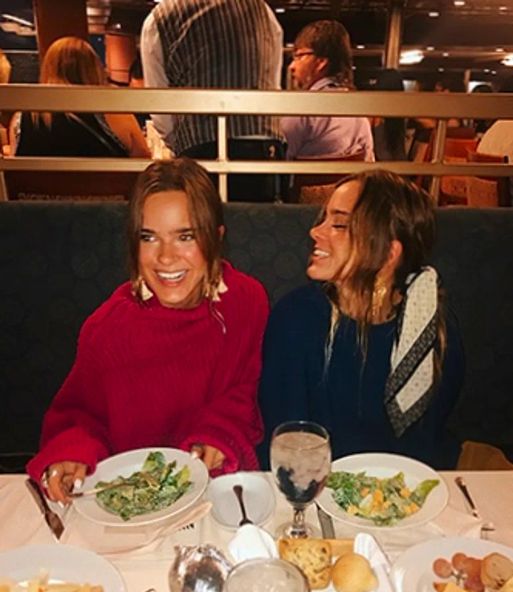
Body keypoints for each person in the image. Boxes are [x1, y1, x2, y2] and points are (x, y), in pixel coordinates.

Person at [26, 158, 269, 502]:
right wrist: (72, 453)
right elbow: (82, 417)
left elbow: (243, 392)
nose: (166, 258)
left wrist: (216, 435)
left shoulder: (246, 301)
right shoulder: (107, 329)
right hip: (132, 503)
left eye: (185, 236)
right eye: (149, 237)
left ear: (216, 238)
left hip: (217, 490)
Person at [259, 170, 464, 471]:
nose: (315, 232)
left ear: (389, 252)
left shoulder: (433, 329)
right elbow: (285, 444)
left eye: (340, 225)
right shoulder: (296, 319)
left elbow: (424, 444)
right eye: (324, 219)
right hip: (317, 490)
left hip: (407, 489)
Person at [140, 0, 285, 201]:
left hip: (199, 149)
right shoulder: (262, 10)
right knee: (259, 225)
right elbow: (272, 88)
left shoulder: (159, 19)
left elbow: (161, 108)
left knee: (204, 225)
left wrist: (181, 145)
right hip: (262, 147)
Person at [14, 36, 150, 158]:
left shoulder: (23, 118)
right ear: (95, 68)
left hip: (37, 187)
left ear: (48, 69)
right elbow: (143, 161)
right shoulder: (115, 114)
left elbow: (14, 172)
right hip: (104, 186)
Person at [281, 20, 374, 162]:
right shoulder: (358, 113)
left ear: (321, 62)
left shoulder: (303, 109)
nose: (292, 66)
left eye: (299, 56)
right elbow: (368, 164)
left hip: (302, 184)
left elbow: (279, 160)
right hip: (350, 184)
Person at [370, 69, 407, 162]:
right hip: (399, 169)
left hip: (380, 170)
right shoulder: (403, 114)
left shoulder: (374, 114)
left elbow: (381, 154)